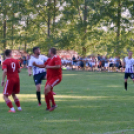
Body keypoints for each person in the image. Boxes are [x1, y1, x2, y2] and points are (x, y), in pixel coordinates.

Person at [33, 48, 62, 112]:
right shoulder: (49, 59)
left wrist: (49, 67)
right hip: (49, 78)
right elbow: (44, 65)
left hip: (56, 77)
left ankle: (53, 104)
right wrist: (36, 65)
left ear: (51, 52)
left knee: (47, 89)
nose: (48, 52)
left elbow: (58, 66)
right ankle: (48, 107)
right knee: (45, 92)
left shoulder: (56, 57)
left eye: (49, 51)